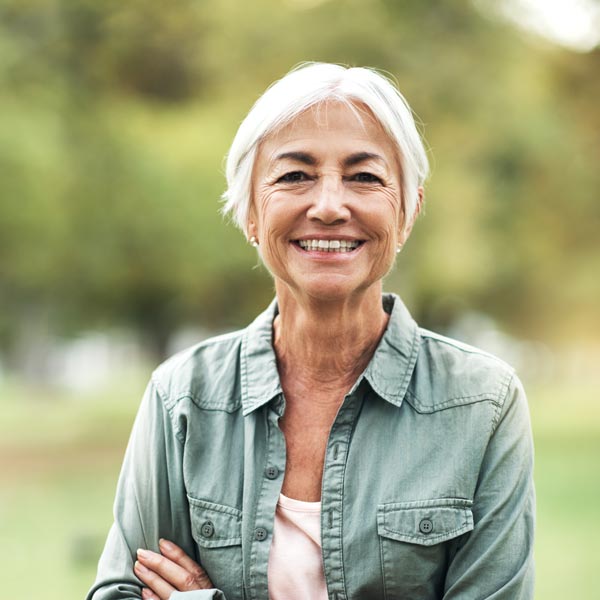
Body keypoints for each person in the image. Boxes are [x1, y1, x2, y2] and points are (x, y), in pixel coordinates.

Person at [86, 62, 535, 600]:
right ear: (251, 210)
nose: (327, 206)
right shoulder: (181, 396)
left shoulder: (483, 402)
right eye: (295, 175)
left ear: (408, 212)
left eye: (364, 177)